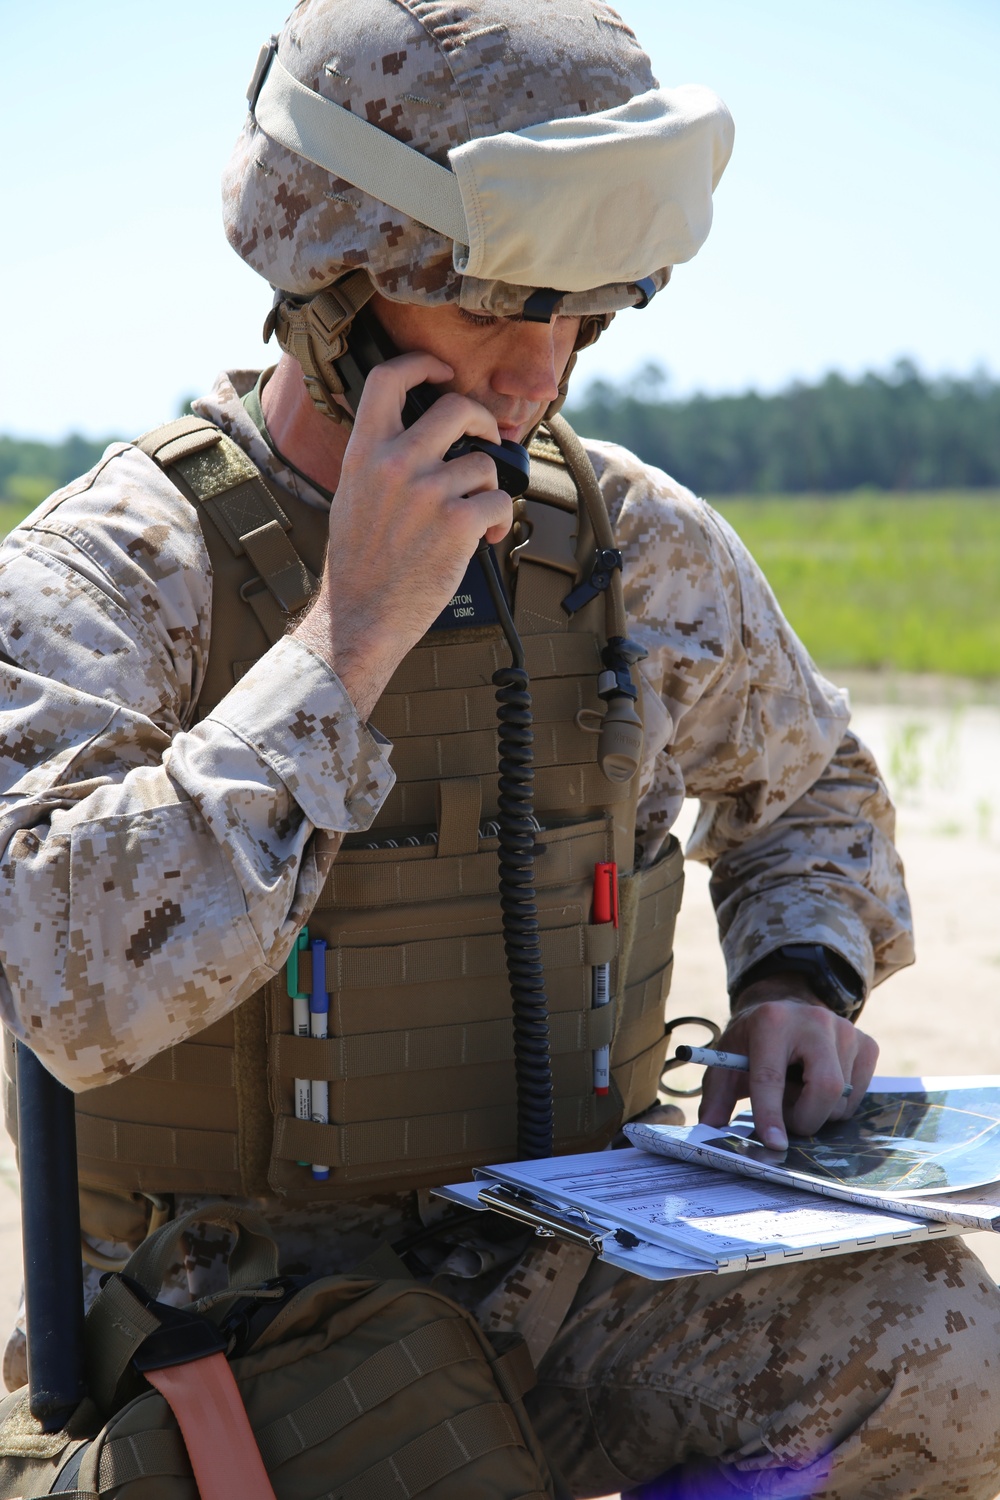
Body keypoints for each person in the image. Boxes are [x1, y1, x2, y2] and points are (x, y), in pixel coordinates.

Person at [2, 2, 999, 1495]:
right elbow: (55, 974)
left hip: (578, 1274)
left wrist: (803, 977)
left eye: (581, 320)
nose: (538, 378)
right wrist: (346, 642)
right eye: (493, 310)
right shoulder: (122, 573)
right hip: (243, 1314)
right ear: (336, 286)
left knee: (950, 1351)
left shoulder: (633, 543)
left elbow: (812, 793)